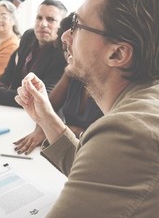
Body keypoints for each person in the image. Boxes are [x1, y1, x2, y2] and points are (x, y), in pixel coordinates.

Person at [15, 0, 159, 217]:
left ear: (117, 54)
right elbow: (100, 171)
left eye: (77, 26)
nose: (65, 36)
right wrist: (47, 118)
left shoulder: (129, 132)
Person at [14, 14, 103, 154]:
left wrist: (67, 129)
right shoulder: (71, 72)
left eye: (71, 47)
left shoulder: (111, 84)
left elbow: (103, 138)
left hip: (92, 153)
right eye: (64, 49)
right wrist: (41, 129)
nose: (67, 55)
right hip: (70, 150)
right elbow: (49, 106)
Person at [0, 0, 67, 108]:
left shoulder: (63, 55)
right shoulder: (29, 36)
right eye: (39, 18)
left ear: (62, 26)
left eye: (50, 19)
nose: (43, 24)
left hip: (37, 117)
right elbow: (11, 68)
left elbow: (41, 98)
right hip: (13, 108)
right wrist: (0, 87)